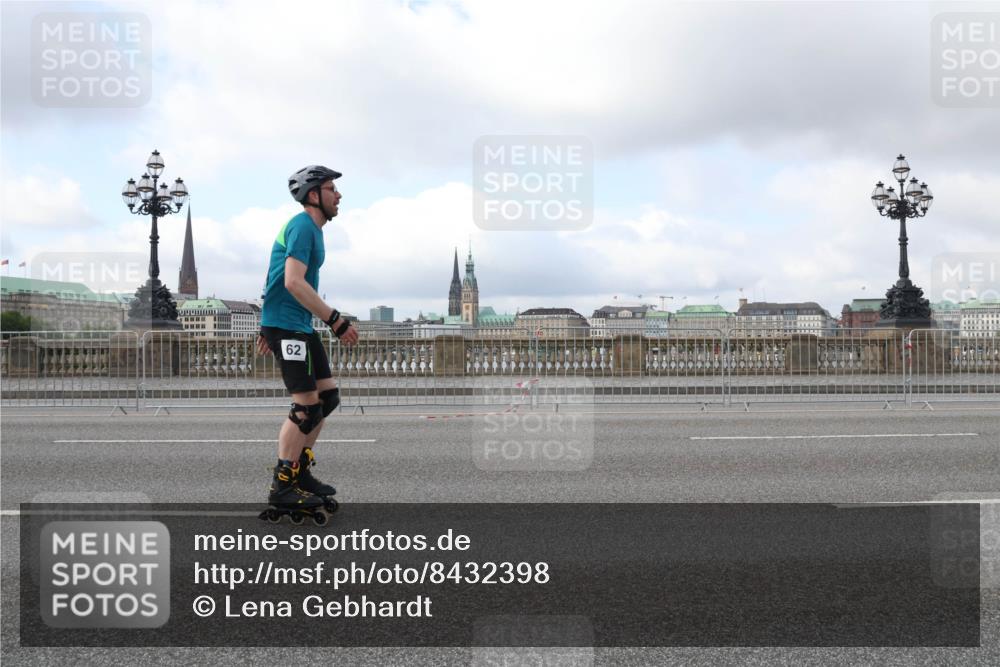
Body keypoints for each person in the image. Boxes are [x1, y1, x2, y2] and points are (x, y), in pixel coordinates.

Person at [256, 165, 359, 513]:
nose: (339, 194)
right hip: (288, 325)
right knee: (306, 406)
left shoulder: (313, 230)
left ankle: (298, 473)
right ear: (313, 195)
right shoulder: (302, 227)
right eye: (332, 188)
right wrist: (336, 321)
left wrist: (265, 321)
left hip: (294, 323)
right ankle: (282, 487)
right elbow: (292, 281)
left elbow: (274, 273)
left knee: (326, 397)